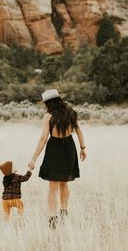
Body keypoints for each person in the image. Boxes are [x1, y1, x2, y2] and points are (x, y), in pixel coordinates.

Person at [28, 89, 86, 229]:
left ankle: (53, 220)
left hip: (54, 149)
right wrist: (82, 148)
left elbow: (43, 139)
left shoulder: (48, 116)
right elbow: (78, 131)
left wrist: (33, 159)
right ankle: (64, 213)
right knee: (64, 183)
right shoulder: (70, 111)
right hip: (69, 148)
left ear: (49, 103)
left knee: (52, 187)